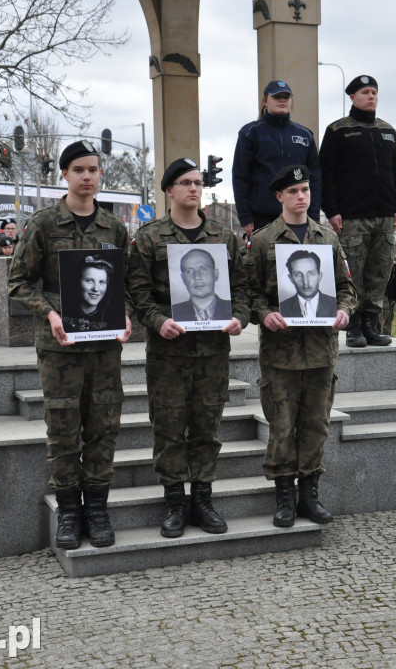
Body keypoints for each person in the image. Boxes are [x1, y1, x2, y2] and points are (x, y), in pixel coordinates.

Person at [9, 140, 132, 550]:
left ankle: (97, 509)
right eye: (78, 169)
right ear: (64, 174)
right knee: (63, 430)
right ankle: (68, 510)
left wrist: (126, 314)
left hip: (103, 348)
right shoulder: (43, 224)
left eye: (93, 169)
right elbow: (18, 283)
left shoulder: (113, 227)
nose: (87, 176)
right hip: (60, 348)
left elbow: (124, 285)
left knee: (103, 428)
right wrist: (50, 312)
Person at [127, 157, 250, 538]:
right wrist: (157, 320)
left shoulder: (223, 238)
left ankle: (202, 498)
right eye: (185, 182)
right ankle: (174, 503)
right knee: (168, 427)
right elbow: (137, 292)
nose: (193, 189)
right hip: (169, 354)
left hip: (213, 352)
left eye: (198, 182)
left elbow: (242, 289)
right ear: (169, 190)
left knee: (206, 427)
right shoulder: (149, 238)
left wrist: (240, 319)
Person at [244, 164, 357, 528]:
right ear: (280, 196)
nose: (301, 196)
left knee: (316, 425)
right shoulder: (263, 241)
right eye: (293, 191)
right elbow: (250, 294)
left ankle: (309, 493)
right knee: (282, 426)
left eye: (305, 189)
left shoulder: (327, 237)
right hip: (281, 354)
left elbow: (346, 288)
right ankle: (283, 495)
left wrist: (343, 310)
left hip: (322, 351)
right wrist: (264, 315)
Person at [320, 74, 396, 348]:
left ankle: (371, 324)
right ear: (352, 97)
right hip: (352, 216)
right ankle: (353, 325)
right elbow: (326, 174)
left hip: (384, 216)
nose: (371, 97)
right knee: (352, 272)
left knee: (379, 272)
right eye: (365, 92)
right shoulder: (338, 130)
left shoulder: (387, 130)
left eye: (374, 92)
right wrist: (331, 210)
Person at [232, 80, 321, 236]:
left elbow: (315, 178)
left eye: (286, 97)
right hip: (261, 218)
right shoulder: (250, 133)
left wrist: (313, 217)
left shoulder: (305, 135)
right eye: (277, 96)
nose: (282, 100)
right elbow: (240, 177)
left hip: (298, 218)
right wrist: (245, 216)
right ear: (265, 101)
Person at [170, 248, 233, 322]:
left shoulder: (231, 309)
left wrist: (239, 319)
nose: (197, 277)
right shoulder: (174, 313)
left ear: (215, 274)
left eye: (203, 269)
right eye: (189, 271)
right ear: (183, 279)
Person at [61, 254, 119, 333]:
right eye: (89, 281)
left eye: (102, 282)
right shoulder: (62, 316)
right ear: (78, 281)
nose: (96, 288)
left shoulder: (113, 321)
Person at [279, 249, 337, 318]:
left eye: (311, 274)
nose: (305, 282)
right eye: (298, 275)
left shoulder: (336, 305)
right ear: (291, 278)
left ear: (319, 276)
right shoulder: (281, 308)